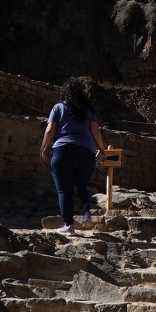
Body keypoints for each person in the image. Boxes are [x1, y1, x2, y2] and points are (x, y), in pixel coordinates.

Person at [39, 78, 104, 236]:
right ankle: (87, 213)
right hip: (86, 153)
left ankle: (69, 225)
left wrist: (44, 148)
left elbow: (50, 130)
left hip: (63, 151)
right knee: (82, 185)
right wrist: (102, 149)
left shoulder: (58, 107)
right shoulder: (87, 110)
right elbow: (96, 130)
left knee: (64, 190)